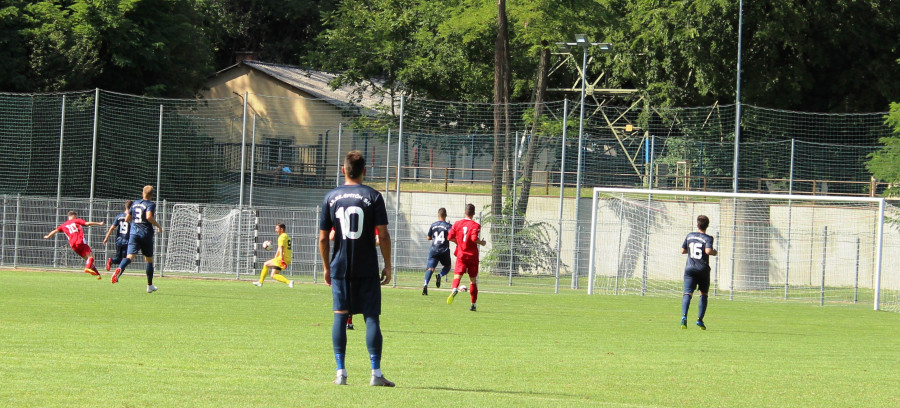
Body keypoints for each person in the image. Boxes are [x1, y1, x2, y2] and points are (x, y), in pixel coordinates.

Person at [319, 150, 394, 387]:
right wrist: (388, 265)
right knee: (371, 317)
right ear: (364, 171)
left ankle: (340, 373)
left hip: (340, 267)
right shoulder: (374, 196)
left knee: (340, 316)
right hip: (367, 266)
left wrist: (326, 267)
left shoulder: (331, 197)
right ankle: (376, 373)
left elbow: (323, 238)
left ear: (343, 170)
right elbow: (383, 235)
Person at [111, 185, 163, 293]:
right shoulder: (150, 204)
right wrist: (158, 226)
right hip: (146, 234)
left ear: (142, 193)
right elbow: (149, 217)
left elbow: (127, 218)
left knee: (129, 257)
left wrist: (135, 223)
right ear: (152, 195)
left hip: (134, 234)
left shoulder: (134, 203)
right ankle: (149, 286)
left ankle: (119, 269)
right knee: (149, 259)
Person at [330, 227, 381, 330]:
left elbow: (331, 236)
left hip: (345, 260)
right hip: (365, 262)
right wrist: (366, 244)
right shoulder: (369, 219)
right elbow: (379, 239)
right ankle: (371, 324)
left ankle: (347, 321)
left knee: (347, 293)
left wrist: (345, 242)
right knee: (367, 296)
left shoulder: (341, 217)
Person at [680, 215, 718, 330]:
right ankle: (700, 320)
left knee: (688, 293)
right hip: (702, 269)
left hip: (690, 269)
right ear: (707, 225)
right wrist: (715, 252)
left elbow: (682, 250)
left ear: (697, 224)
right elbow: (708, 251)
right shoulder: (708, 238)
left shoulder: (690, 235)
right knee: (703, 294)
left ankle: (684, 317)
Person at [446, 204, 486, 311]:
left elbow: (449, 237)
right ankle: (473, 304)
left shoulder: (457, 224)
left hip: (461, 255)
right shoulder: (475, 225)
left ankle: (454, 289)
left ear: (465, 212)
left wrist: (458, 243)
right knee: (472, 281)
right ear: (474, 213)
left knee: (457, 277)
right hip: (472, 256)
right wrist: (481, 242)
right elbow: (473, 238)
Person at [43, 211, 105, 278]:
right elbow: (87, 223)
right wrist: (99, 223)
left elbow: (55, 231)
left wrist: (48, 236)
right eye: (76, 216)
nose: (77, 217)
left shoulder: (63, 225)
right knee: (91, 257)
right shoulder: (76, 220)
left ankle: (98, 274)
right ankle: (87, 268)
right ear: (73, 215)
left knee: (88, 260)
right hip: (80, 242)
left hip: (73, 245)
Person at [422, 207, 452, 295]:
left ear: (438, 215)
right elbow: (451, 235)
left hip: (434, 249)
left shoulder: (433, 225)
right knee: (447, 266)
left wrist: (434, 238)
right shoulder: (448, 226)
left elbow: (428, 237)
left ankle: (425, 284)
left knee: (430, 268)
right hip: (444, 250)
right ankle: (440, 275)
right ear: (446, 215)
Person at [253, 223, 293, 288]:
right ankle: (288, 282)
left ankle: (260, 282)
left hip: (282, 258)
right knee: (273, 275)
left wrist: (281, 259)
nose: (275, 230)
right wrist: (276, 257)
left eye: (277, 228)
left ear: (281, 229)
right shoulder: (286, 236)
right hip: (286, 258)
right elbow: (280, 248)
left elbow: (281, 248)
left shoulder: (281, 237)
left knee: (266, 264)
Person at [102, 200, 133, 272]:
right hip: (127, 240)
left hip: (119, 240)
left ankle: (111, 261)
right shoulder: (131, 217)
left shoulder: (119, 216)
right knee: (126, 259)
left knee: (119, 259)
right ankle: (118, 271)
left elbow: (112, 228)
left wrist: (106, 237)